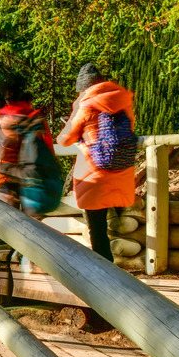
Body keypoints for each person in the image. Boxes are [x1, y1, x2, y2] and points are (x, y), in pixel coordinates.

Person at [57, 63, 136, 262]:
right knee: (119, 222)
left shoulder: (86, 104)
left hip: (94, 172)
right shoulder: (122, 100)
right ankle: (120, 268)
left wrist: (70, 121)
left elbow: (65, 139)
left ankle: (105, 274)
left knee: (97, 228)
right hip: (122, 170)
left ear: (84, 88)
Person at [0, 77, 55, 209]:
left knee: (10, 217)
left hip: (8, 174)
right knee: (29, 218)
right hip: (29, 176)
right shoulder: (35, 117)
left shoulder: (4, 117)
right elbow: (48, 145)